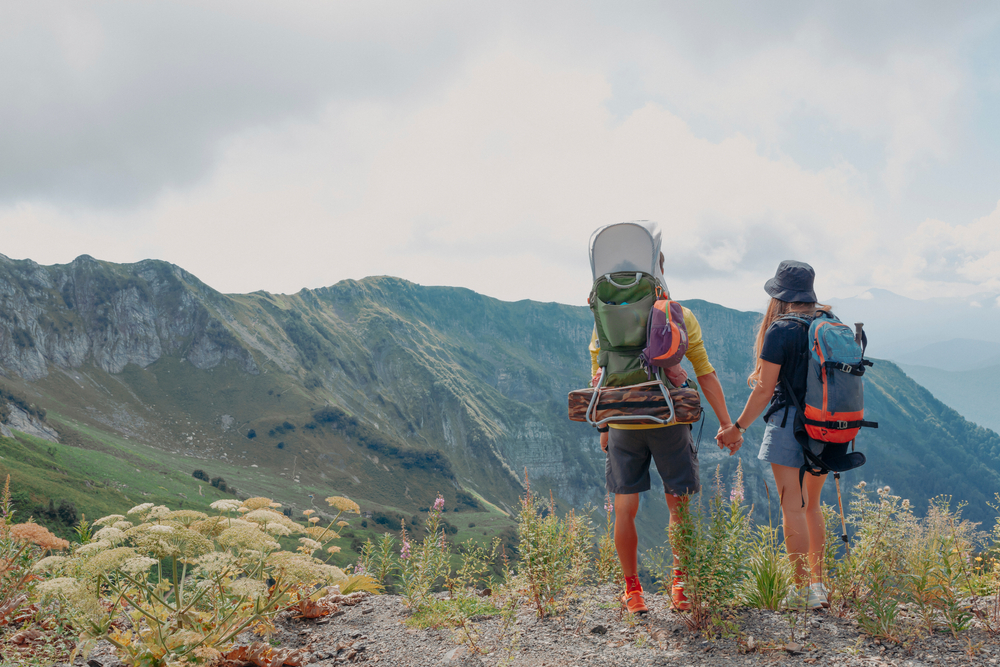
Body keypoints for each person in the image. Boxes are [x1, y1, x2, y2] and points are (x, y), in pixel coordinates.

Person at [591, 253, 741, 615]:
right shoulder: (679, 314)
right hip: (669, 420)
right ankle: (682, 586)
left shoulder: (604, 318)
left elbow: (598, 376)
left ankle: (633, 592)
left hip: (624, 421)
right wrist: (726, 424)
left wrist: (604, 425)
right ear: (658, 268)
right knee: (680, 506)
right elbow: (704, 372)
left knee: (624, 508)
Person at [718, 260, 831, 610]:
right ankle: (818, 586)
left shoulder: (781, 330)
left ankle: (799, 594)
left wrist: (737, 428)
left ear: (780, 295)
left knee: (792, 508)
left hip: (789, 425)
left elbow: (765, 390)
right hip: (828, 425)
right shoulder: (829, 323)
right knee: (812, 506)